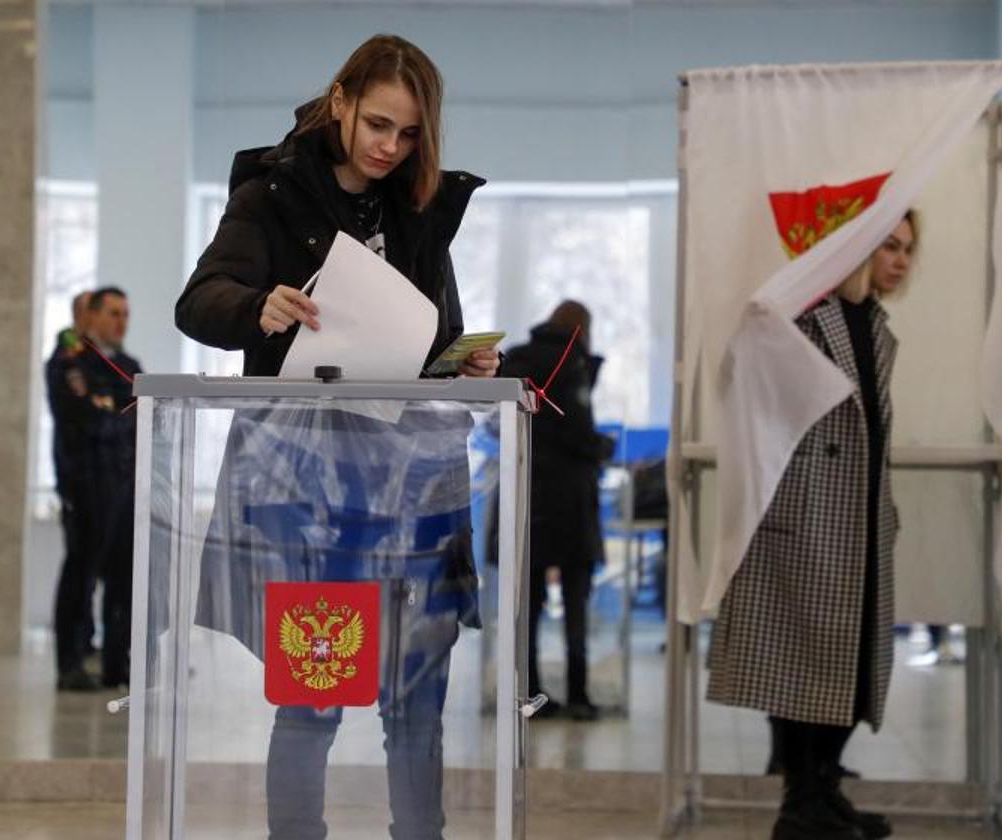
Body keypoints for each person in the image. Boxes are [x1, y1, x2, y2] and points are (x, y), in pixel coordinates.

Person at [175, 34, 497, 840]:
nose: (392, 147)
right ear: (341, 100)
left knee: (418, 710)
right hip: (311, 500)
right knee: (314, 704)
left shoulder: (423, 207)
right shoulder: (272, 193)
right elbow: (200, 300)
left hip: (416, 495)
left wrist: (466, 362)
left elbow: (432, 338)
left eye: (411, 133)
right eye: (379, 124)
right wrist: (261, 308)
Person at [707, 211, 918, 840]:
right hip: (804, 512)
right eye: (888, 245)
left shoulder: (875, 325)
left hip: (861, 514)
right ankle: (800, 802)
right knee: (801, 663)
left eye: (909, 248)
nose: (902, 260)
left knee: (849, 663)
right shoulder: (799, 318)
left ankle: (824, 787)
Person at [501, 301, 615, 722]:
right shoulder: (574, 362)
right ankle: (580, 696)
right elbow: (579, 432)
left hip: (525, 495)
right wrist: (605, 448)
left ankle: (530, 695)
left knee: (527, 608)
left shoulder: (516, 358)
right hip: (569, 501)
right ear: (583, 328)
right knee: (575, 604)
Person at [81, 287, 142, 689]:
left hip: (126, 486)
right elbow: (89, 421)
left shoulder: (131, 365)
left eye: (126, 314)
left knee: (125, 582)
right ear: (95, 317)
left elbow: (134, 419)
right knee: (83, 578)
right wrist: (117, 419)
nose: (121, 322)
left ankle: (117, 665)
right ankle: (74, 662)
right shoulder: (77, 362)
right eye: (114, 313)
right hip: (89, 487)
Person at [46, 290, 99, 692]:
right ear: (82, 315)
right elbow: (83, 411)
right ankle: (69, 661)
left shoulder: (98, 356)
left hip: (103, 481)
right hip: (79, 480)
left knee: (95, 571)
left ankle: (89, 648)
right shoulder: (68, 357)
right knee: (78, 569)